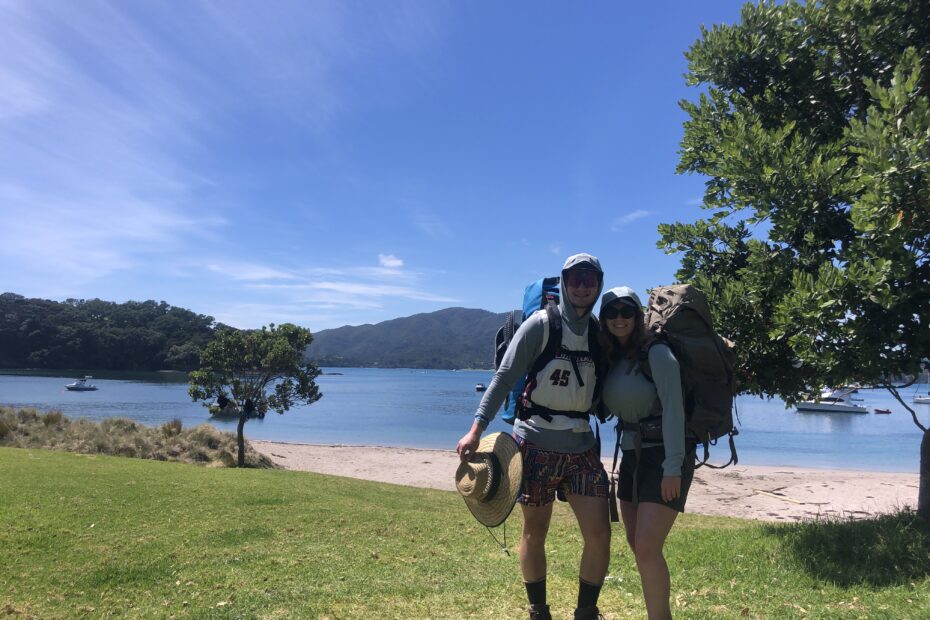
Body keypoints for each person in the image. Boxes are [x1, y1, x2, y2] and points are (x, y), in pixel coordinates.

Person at [456, 253, 611, 620]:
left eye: (590, 278)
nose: (583, 284)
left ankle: (586, 613)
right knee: (535, 531)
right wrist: (477, 428)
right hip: (534, 443)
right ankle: (538, 610)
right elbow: (504, 378)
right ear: (564, 281)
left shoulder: (600, 333)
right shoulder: (541, 325)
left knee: (600, 533)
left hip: (582, 446)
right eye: (576, 278)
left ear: (599, 284)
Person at [598, 286, 695, 620]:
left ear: (638, 316)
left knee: (648, 547)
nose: (619, 318)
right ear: (604, 319)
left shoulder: (656, 353)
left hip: (663, 457)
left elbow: (674, 410)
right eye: (612, 312)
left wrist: (673, 467)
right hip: (631, 457)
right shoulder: (614, 356)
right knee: (638, 546)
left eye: (627, 311)